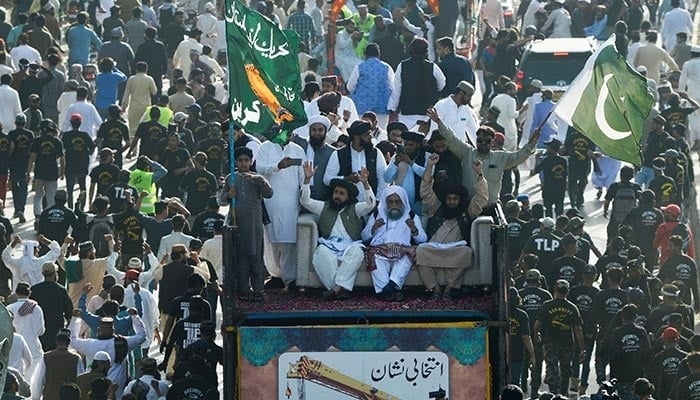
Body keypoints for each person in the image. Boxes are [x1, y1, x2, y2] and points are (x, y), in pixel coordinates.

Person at [426, 107, 538, 206]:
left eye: (487, 141)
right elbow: (451, 138)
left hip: (491, 208)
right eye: (480, 140)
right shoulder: (466, 152)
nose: (483, 143)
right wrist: (439, 121)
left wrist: (531, 143)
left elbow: (519, 156)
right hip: (469, 206)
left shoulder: (500, 157)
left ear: (493, 142)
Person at [301, 161, 375, 300]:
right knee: (320, 253)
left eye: (342, 194)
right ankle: (339, 289)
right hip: (330, 245)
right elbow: (305, 201)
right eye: (336, 192)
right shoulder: (323, 207)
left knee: (357, 253)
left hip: (350, 246)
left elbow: (370, 204)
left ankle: (335, 290)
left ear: (347, 197)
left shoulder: (355, 209)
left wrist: (365, 184)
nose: (338, 196)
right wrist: (307, 180)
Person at [417, 156, 487, 300]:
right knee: (420, 251)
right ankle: (435, 288)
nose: (451, 202)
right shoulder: (437, 207)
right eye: (449, 199)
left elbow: (482, 198)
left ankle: (449, 288)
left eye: (455, 199)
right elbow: (425, 191)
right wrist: (430, 166)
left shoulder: (468, 211)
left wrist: (479, 173)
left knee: (466, 252)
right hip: (434, 249)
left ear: (460, 199)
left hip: (455, 250)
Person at [362, 186, 427, 301]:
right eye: (390, 202)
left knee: (409, 255)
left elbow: (423, 240)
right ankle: (393, 291)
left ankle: (389, 288)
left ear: (403, 202)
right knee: (373, 256)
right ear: (385, 203)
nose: (394, 205)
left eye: (397, 202)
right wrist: (373, 228)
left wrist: (413, 230)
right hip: (380, 250)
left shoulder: (411, 215)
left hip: (402, 251)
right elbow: (364, 236)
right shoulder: (378, 214)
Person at [68, 310, 146, 399]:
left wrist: (75, 319)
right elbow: (142, 336)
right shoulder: (123, 343)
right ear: (113, 330)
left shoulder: (90, 345)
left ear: (98, 330)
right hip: (118, 389)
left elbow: (72, 340)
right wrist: (135, 317)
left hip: (96, 389)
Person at [534, 279, 584, 396]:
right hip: (567, 343)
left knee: (552, 368)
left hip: (551, 341)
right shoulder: (572, 308)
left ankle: (554, 393)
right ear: (568, 291)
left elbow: (537, 325)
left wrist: (536, 335)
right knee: (566, 368)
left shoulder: (547, 305)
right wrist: (582, 349)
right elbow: (578, 329)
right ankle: (563, 392)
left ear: (555, 290)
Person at [324, 120, 388, 202]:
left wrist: (378, 200)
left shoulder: (376, 153)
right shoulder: (338, 154)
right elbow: (326, 179)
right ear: (357, 138)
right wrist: (346, 179)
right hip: (346, 206)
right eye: (367, 135)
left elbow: (383, 179)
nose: (371, 136)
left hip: (370, 203)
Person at [387, 37, 446, 128]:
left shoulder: (402, 66)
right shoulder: (432, 67)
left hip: (407, 112)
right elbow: (442, 84)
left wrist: (392, 108)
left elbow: (396, 91)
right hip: (428, 113)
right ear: (426, 51)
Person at [592, 266, 628, 384]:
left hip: (604, 332)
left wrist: (590, 330)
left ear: (608, 279)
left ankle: (602, 383)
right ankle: (614, 383)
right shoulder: (625, 296)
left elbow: (594, 315)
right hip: (621, 334)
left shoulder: (602, 294)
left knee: (600, 360)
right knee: (617, 361)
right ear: (621, 279)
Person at [607, 304, 651, 398]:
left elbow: (613, 355)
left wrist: (613, 376)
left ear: (622, 316)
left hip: (622, 375)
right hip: (637, 374)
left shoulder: (617, 332)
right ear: (635, 316)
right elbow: (647, 353)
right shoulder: (641, 331)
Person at [346, 43, 394, 129]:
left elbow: (350, 87)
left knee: (362, 131)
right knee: (380, 133)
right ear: (379, 54)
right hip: (382, 107)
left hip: (362, 107)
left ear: (365, 54)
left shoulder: (359, 67)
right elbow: (392, 86)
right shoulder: (387, 67)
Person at [30, 330, 84, 400]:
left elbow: (39, 381)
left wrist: (36, 397)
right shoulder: (76, 358)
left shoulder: (46, 357)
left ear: (56, 341)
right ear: (69, 342)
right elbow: (80, 379)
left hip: (50, 396)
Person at [6, 282, 45, 379]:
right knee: (32, 381)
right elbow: (41, 331)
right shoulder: (36, 308)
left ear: (16, 293)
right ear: (29, 293)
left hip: (14, 348)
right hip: (34, 349)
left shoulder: (9, 308)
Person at [383, 130, 428, 215]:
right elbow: (387, 178)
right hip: (399, 203)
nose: (407, 147)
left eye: (410, 145)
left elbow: (428, 175)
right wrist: (395, 164)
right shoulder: (398, 156)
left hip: (419, 204)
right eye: (405, 144)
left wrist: (411, 163)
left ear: (418, 145)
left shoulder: (426, 157)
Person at [28, 119, 64, 219]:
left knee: (38, 195)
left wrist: (28, 172)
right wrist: (62, 172)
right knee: (51, 196)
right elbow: (62, 158)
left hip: (39, 171)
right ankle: (49, 216)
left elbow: (32, 157)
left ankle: (37, 215)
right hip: (52, 172)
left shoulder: (37, 140)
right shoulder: (57, 141)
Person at [658, 234, 699, 311]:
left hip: (682, 300)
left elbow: (694, 283)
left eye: (670, 246)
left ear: (677, 247)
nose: (668, 248)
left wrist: (697, 301)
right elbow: (660, 278)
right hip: (673, 299)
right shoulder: (671, 261)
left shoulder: (689, 262)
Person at [623, 190, 664, 267]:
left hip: (637, 245)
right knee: (650, 269)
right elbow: (661, 230)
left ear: (643, 199)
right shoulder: (659, 213)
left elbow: (624, 225)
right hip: (652, 247)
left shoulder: (635, 211)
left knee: (634, 267)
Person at [603, 165, 641, 242]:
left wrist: (605, 211)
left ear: (621, 175)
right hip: (631, 218)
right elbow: (641, 200)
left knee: (612, 237)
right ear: (632, 176)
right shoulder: (635, 187)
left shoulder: (614, 186)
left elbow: (607, 201)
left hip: (616, 217)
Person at [8, 113, 33, 222]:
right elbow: (31, 151)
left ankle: (16, 209)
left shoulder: (12, 134)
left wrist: (8, 159)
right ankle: (21, 210)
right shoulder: (30, 134)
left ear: (15, 123)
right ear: (25, 123)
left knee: (14, 187)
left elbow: (11, 147)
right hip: (25, 164)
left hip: (14, 163)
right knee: (24, 187)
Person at [534, 138, 567, 217]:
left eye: (548, 147)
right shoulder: (563, 161)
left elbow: (536, 170)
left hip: (548, 190)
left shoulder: (546, 160)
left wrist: (537, 159)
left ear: (552, 149)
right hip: (560, 190)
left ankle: (550, 227)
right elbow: (566, 175)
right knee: (559, 212)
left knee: (548, 212)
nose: (546, 149)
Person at [122, 61, 156, 137]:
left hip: (134, 106)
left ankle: (134, 148)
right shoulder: (149, 79)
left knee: (133, 129)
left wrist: (124, 105)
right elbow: (154, 92)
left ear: (136, 69)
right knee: (146, 128)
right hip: (146, 107)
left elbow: (126, 93)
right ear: (146, 69)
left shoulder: (131, 79)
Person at [134, 27, 168, 97]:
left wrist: (135, 72)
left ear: (145, 35)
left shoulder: (142, 47)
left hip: (145, 72)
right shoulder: (160, 46)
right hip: (157, 72)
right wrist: (164, 71)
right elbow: (164, 60)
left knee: (146, 92)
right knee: (157, 91)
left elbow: (136, 61)